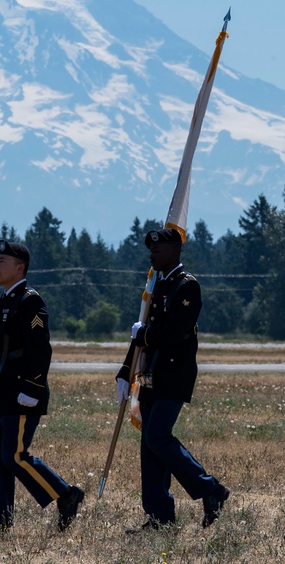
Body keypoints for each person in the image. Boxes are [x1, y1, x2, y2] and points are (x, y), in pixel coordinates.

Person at [115, 227, 229, 532]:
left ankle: (211, 489)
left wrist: (145, 333)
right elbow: (140, 336)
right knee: (149, 446)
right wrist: (125, 372)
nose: (152, 256)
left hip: (174, 374)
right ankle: (159, 516)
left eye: (158, 250)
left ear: (174, 252)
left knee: (157, 437)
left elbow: (174, 332)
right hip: (150, 374)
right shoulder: (156, 285)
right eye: (151, 251)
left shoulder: (186, 287)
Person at [0, 240, 84, 535]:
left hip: (23, 393)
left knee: (15, 455)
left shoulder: (29, 300)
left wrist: (33, 388)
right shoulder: (4, 300)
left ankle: (66, 494)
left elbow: (40, 350)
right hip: (3, 394)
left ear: (20, 268)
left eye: (3, 261)